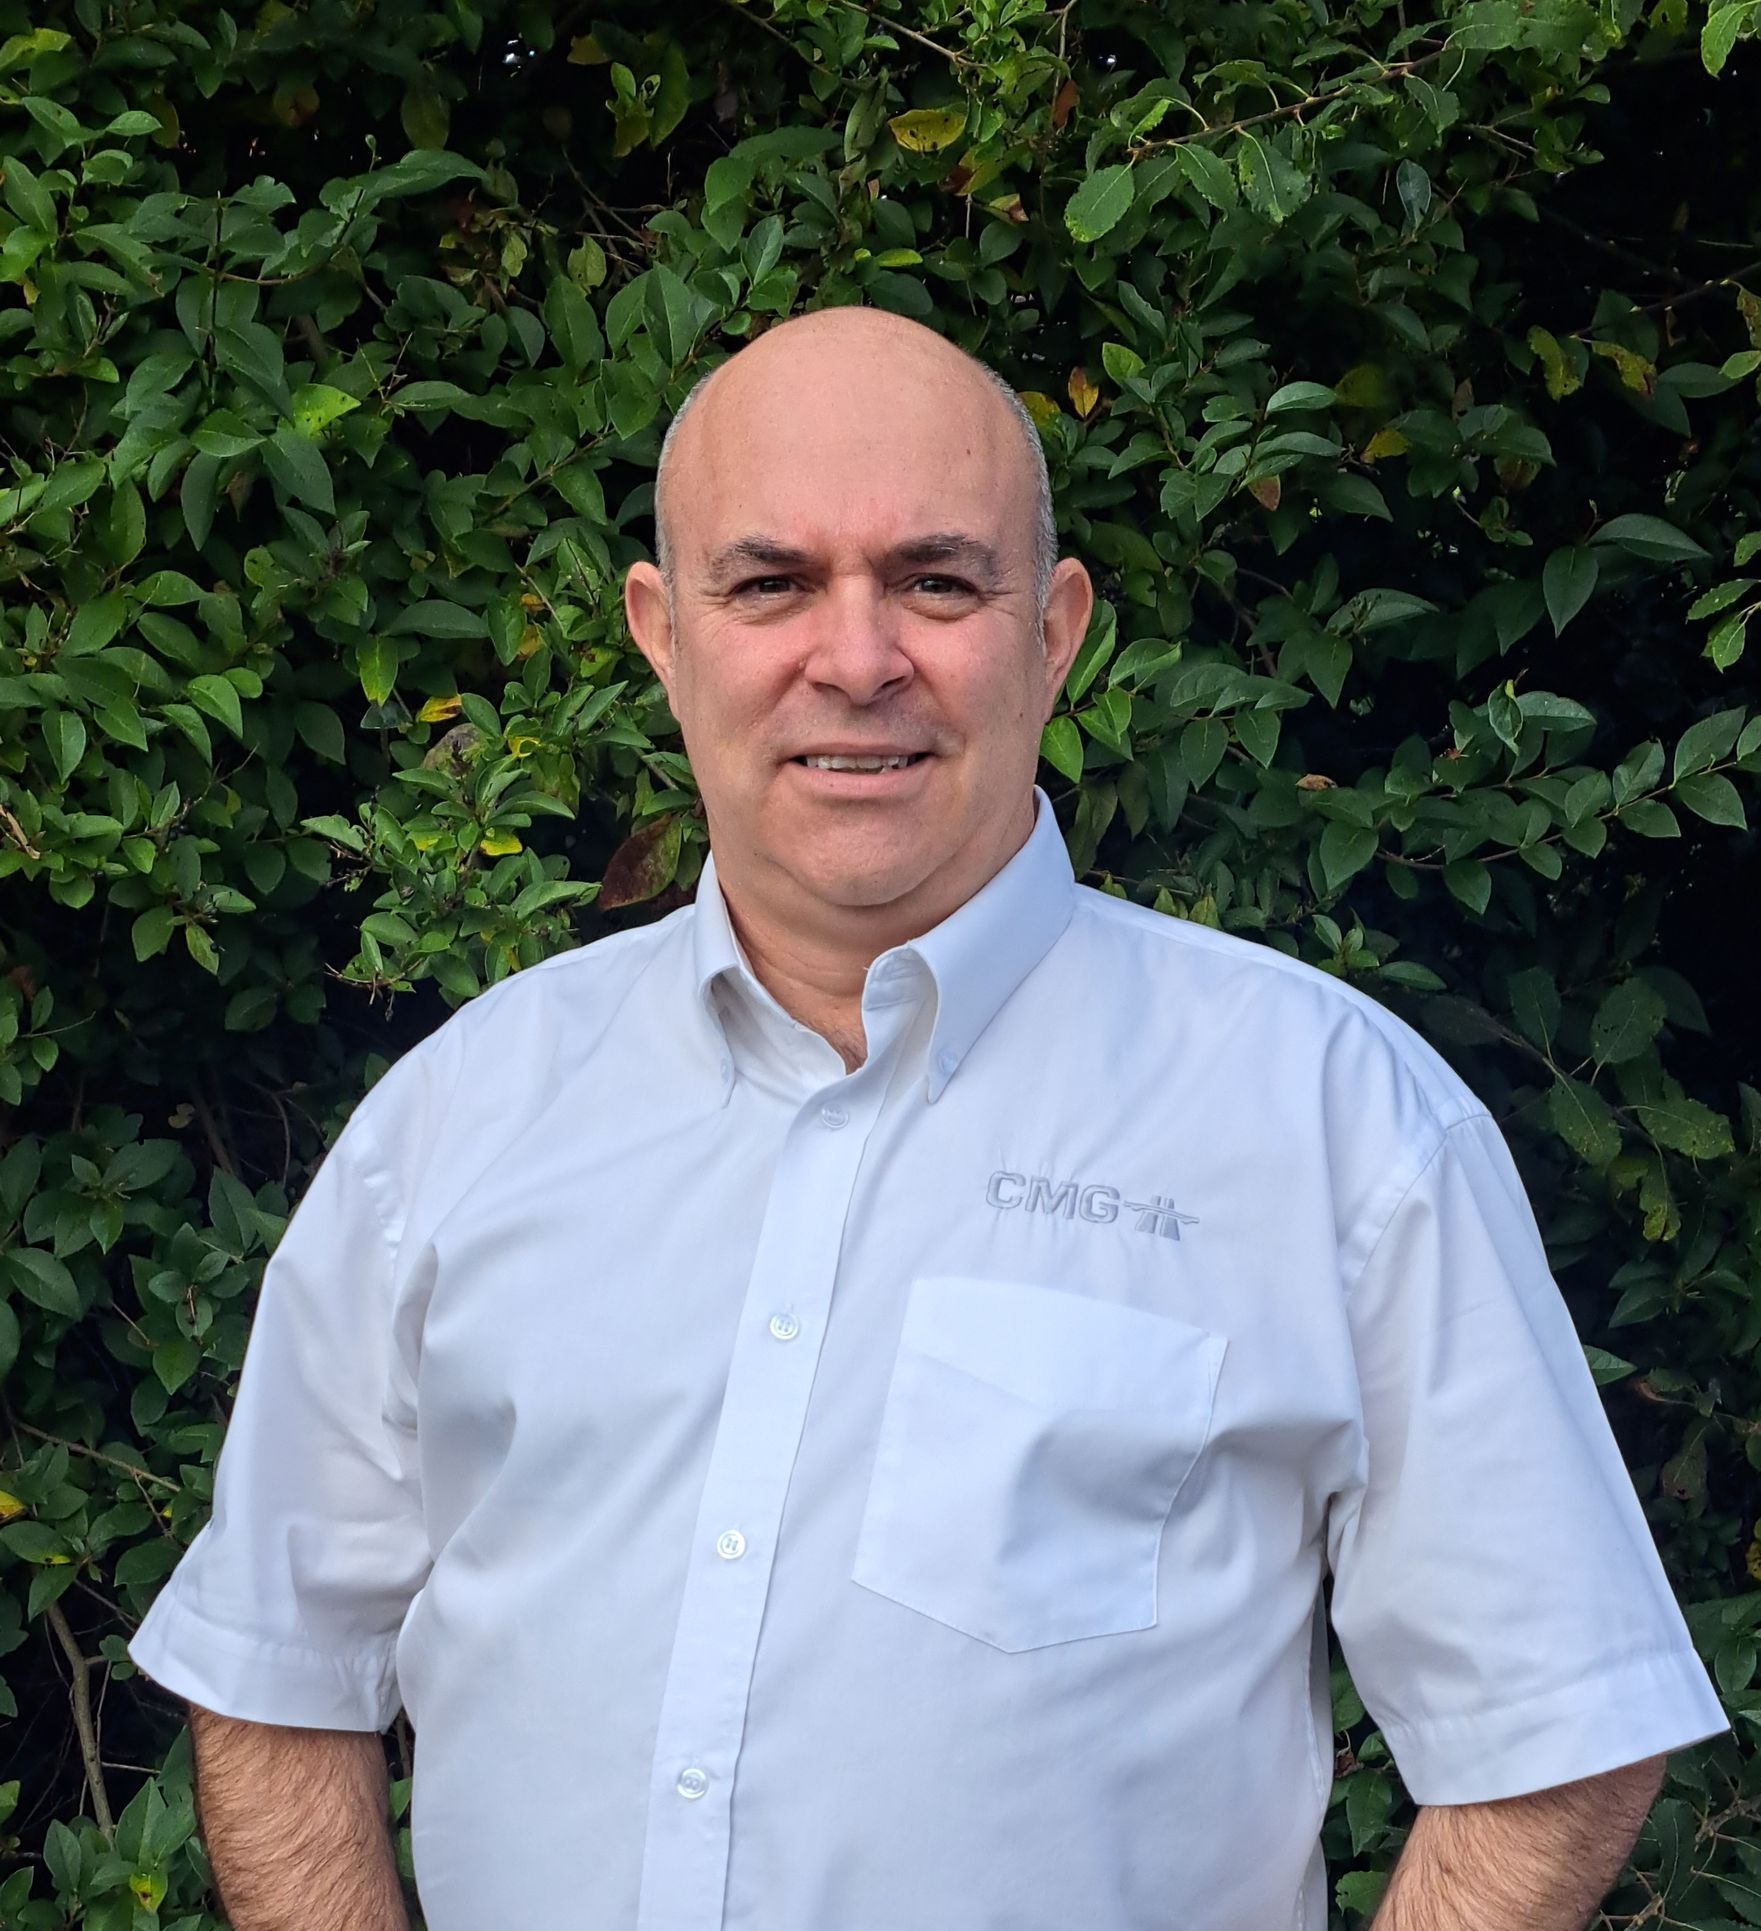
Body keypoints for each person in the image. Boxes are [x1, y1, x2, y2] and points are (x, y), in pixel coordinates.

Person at [128, 305, 1728, 1931]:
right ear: (662, 634)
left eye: (935, 582)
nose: (856, 659)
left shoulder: (1331, 1121)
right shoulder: (459, 1119)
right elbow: (274, 1668)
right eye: (770, 584)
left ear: (1053, 631)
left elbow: (1554, 1733)